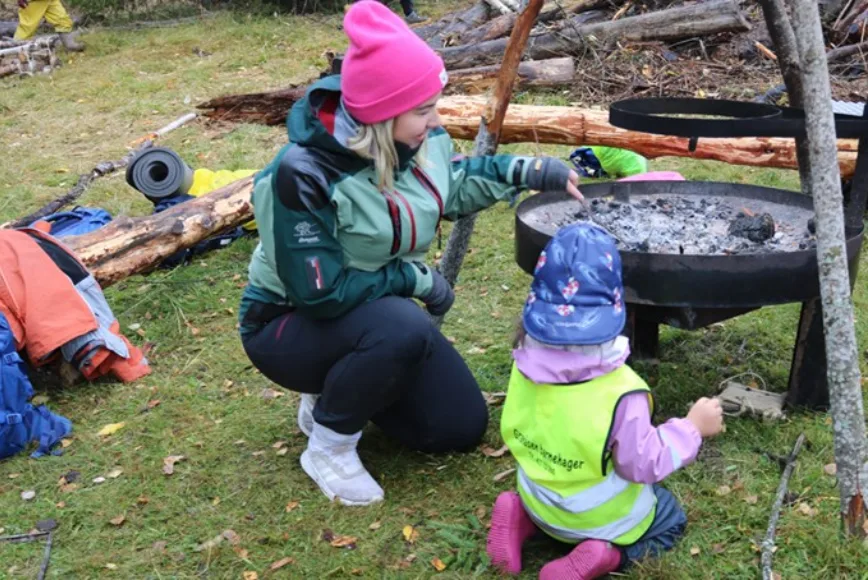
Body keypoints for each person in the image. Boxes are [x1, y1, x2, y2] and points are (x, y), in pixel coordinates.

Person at [238, 0, 583, 507]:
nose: (436, 119)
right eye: (424, 110)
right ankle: (329, 446)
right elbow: (322, 296)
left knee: (457, 426)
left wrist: (526, 172)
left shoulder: (418, 140)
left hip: (370, 316)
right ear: (380, 115)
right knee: (402, 327)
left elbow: (450, 185)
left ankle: (333, 393)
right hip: (287, 325)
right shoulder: (302, 175)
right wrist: (417, 281)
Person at [486, 222, 725, 579]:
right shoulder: (622, 392)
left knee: (550, 497)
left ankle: (523, 518)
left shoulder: (523, 361)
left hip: (539, 496)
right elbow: (641, 464)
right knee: (670, 518)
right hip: (600, 518)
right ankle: (607, 556)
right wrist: (692, 427)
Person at [14, 0, 84, 52]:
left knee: (62, 19)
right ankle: (15, 51)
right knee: (27, 27)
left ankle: (69, 45)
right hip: (32, 2)